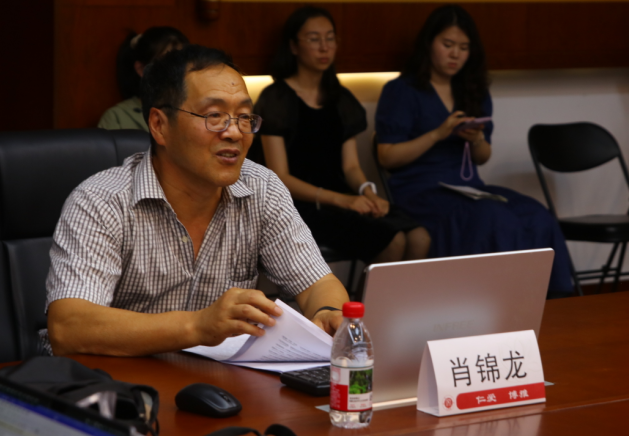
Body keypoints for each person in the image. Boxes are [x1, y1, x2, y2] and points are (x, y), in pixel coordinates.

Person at [43, 45, 349, 357]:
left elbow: (317, 283)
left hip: (212, 378)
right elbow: (68, 328)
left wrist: (328, 313)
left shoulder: (261, 188)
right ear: (160, 125)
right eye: (214, 116)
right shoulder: (102, 200)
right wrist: (198, 327)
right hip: (113, 379)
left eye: (244, 117)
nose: (234, 132)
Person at [375, 5, 573, 297]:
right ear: (429, 43)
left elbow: (482, 157)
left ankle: (551, 303)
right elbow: (387, 157)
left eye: (464, 47)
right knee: (492, 216)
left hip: (468, 187)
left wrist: (477, 139)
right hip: (419, 191)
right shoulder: (402, 90)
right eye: (448, 44)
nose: (455, 54)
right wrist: (438, 134)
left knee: (536, 214)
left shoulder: (472, 89)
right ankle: (499, 301)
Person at [254, 6, 431, 264]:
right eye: (314, 39)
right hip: (298, 205)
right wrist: (343, 201)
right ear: (293, 46)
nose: (324, 47)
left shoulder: (341, 98)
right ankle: (361, 294)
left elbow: (351, 167)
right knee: (394, 240)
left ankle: (396, 294)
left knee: (419, 237)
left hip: (343, 198)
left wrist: (369, 194)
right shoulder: (276, 99)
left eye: (330, 38)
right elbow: (280, 177)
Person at [97, 26, 189, 131]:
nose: (175, 73)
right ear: (141, 69)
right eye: (165, 65)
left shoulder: (195, 111)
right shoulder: (117, 117)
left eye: (181, 65)